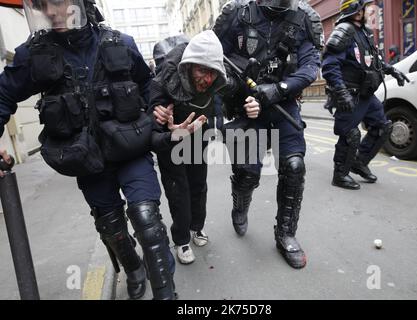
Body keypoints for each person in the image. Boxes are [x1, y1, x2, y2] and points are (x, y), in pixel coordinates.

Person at [0, 0, 202, 300]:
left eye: (57, 2)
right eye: (43, 5)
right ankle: (133, 268)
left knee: (147, 220)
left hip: (131, 149)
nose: (52, 12)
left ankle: (166, 294)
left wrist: (159, 113)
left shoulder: (120, 43)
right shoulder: (36, 53)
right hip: (87, 159)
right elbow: (3, 94)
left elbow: (149, 86)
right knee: (112, 228)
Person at [213, 0, 323, 269]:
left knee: (294, 166)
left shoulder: (304, 17)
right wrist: (234, 91)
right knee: (247, 173)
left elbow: (310, 66)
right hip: (246, 103)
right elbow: (215, 60)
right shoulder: (235, 14)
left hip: (282, 102)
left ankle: (286, 234)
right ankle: (240, 205)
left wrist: (279, 89)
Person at [150, 30, 227, 264]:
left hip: (198, 142)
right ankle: (182, 239)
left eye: (212, 72)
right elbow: (151, 115)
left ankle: (197, 227)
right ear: (189, 66)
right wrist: (158, 115)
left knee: (198, 186)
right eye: (202, 70)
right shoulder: (165, 78)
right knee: (178, 192)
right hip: (171, 144)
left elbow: (218, 103)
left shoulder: (213, 82)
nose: (207, 78)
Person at [322, 0, 409, 190]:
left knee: (382, 127)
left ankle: (359, 162)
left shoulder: (364, 33)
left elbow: (373, 61)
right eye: (361, 8)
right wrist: (341, 92)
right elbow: (329, 66)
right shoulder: (343, 30)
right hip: (350, 94)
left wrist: (392, 70)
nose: (364, 11)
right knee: (350, 134)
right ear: (354, 10)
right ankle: (340, 174)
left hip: (367, 94)